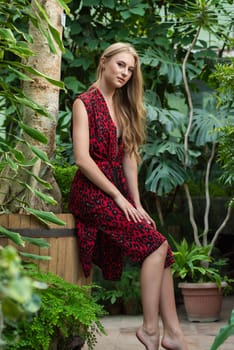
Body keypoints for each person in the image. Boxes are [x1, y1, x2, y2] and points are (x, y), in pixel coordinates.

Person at [69, 42, 189, 350]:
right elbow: (82, 159)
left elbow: (129, 161)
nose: (125, 73)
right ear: (105, 61)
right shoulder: (84, 102)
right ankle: (150, 329)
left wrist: (135, 202)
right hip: (91, 193)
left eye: (130, 69)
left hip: (119, 191)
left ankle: (173, 333)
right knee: (156, 245)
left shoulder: (123, 106)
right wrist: (118, 198)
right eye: (121, 65)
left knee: (162, 251)